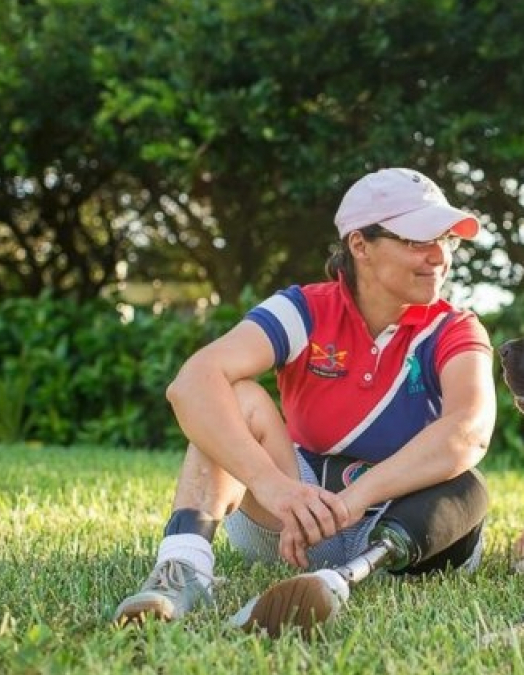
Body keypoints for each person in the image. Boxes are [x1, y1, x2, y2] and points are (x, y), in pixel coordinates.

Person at [113, 168, 497, 636]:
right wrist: (273, 485)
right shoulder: (303, 309)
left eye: (445, 240)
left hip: (412, 526)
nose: (438, 257)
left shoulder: (455, 328)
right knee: (233, 396)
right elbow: (191, 383)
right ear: (360, 246)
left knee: (468, 477)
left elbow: (469, 429)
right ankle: (183, 568)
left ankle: (343, 575)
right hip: (296, 517)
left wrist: (354, 501)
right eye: (418, 241)